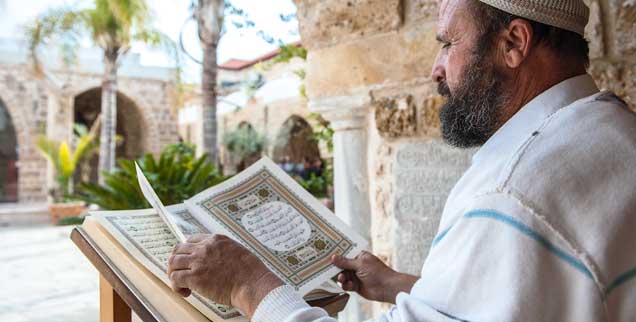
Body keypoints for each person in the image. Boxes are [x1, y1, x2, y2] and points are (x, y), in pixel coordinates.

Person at [166, 0, 636, 321]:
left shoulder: (513, 192)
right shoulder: (614, 130)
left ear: (513, 43)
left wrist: (247, 284)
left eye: (449, 43)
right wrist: (402, 285)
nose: (435, 68)